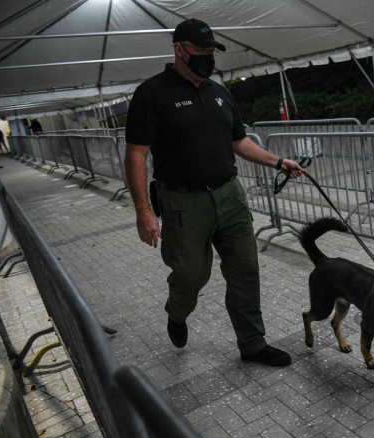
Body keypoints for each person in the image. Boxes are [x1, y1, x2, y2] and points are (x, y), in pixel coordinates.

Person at [124, 18, 305, 366]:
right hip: (182, 202)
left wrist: (278, 161)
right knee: (192, 276)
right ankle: (177, 313)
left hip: (230, 195)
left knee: (245, 271)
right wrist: (143, 211)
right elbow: (136, 153)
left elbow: (239, 141)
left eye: (212, 51)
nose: (208, 57)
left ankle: (252, 344)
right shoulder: (153, 93)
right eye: (201, 50)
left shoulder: (219, 92)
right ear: (179, 50)